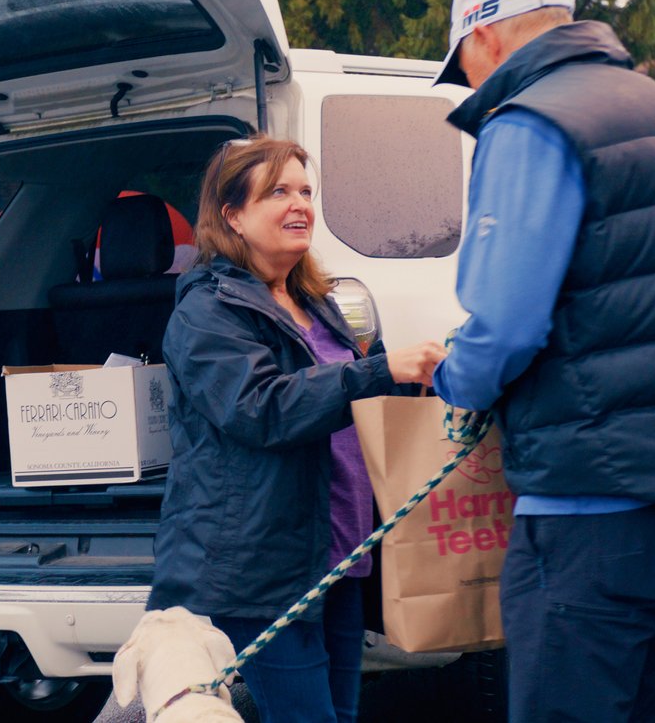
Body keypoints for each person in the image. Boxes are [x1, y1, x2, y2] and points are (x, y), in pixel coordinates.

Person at [429, 0, 655, 722]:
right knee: (644, 704)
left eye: (462, 63)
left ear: (481, 33)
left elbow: (506, 319)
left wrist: (455, 381)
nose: (469, 83)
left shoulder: (530, 122)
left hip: (594, 491)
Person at [147, 136, 445, 722]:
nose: (300, 204)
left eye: (306, 191)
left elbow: (368, 394)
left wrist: (427, 379)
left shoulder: (320, 301)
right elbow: (260, 407)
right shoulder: (205, 313)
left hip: (338, 555)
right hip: (265, 570)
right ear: (231, 214)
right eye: (278, 192)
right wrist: (382, 369)